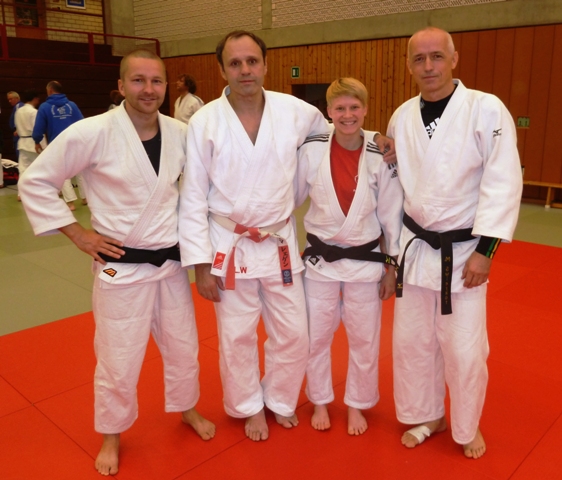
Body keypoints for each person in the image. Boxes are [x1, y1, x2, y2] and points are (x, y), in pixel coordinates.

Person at [19, 49, 215, 476]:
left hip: (170, 265)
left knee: (183, 347)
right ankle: (111, 434)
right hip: (120, 267)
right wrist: (79, 234)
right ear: (122, 85)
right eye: (138, 80)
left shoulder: (181, 132)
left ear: (166, 86)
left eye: (156, 81)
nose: (149, 89)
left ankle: (187, 407)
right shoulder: (92, 132)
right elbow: (35, 180)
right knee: (118, 356)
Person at [387, 27, 522, 459]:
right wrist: (391, 253)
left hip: (463, 253)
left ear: (454, 58)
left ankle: (467, 425)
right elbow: (398, 188)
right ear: (409, 65)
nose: (428, 66)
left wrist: (486, 251)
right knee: (413, 343)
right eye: (419, 59)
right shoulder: (401, 116)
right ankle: (428, 415)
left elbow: (503, 181)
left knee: (464, 349)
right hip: (414, 248)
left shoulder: (486, 109)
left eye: (437, 57)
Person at [296, 77, 403, 436]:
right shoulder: (311, 149)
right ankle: (320, 399)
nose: (347, 115)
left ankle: (357, 403)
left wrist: (392, 267)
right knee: (316, 336)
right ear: (328, 111)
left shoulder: (379, 153)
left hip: (365, 261)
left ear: (366, 109)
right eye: (340, 108)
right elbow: (290, 196)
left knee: (364, 338)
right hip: (321, 261)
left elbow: (391, 215)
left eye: (354, 107)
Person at [32, 81, 87, 210]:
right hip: (75, 141)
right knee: (80, 170)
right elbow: (83, 123)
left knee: (62, 173)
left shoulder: (45, 107)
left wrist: (37, 140)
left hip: (57, 143)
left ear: (50, 90)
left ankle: (70, 202)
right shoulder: (72, 105)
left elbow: (39, 128)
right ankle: (85, 197)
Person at [15, 90, 46, 200]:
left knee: (23, 169)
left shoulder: (19, 111)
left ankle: (20, 194)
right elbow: (37, 130)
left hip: (22, 142)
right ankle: (42, 192)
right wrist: (43, 145)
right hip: (33, 143)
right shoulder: (34, 112)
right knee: (40, 169)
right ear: (35, 99)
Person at [7, 91, 24, 160]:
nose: (9, 101)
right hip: (18, 135)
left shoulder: (18, 106)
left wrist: (18, 129)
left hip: (19, 136)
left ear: (17, 98)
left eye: (11, 99)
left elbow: (21, 118)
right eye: (9, 99)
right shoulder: (16, 107)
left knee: (21, 157)